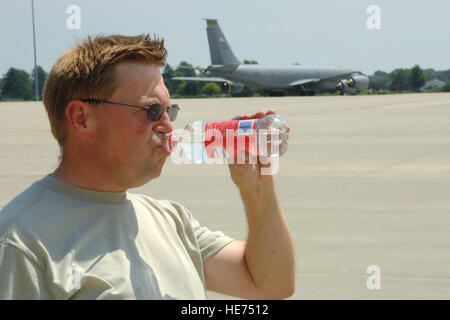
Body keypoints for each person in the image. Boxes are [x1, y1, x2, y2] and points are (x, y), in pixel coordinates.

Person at [0, 34, 295, 300]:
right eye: (151, 110)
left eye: (169, 110)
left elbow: (270, 286)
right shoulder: (22, 243)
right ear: (81, 118)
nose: (167, 126)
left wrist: (257, 188)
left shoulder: (169, 219)